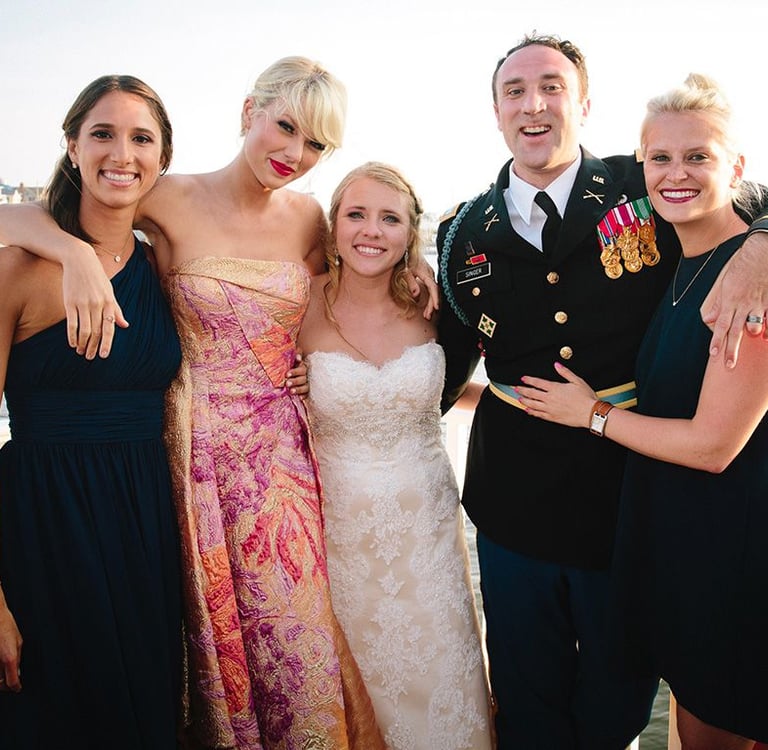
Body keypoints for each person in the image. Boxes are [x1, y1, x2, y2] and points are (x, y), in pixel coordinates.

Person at [0, 57, 385, 750]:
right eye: (285, 126)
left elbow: (341, 298)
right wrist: (72, 254)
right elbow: (38, 209)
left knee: (293, 651)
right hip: (177, 465)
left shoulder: (307, 219)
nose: (295, 152)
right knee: (186, 666)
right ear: (248, 112)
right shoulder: (163, 197)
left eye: (316, 142)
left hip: (258, 472)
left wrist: (321, 362)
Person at [435, 33, 768, 750]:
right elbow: (447, 361)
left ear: (584, 105)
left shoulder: (648, 182)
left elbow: (746, 193)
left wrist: (763, 247)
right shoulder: (460, 231)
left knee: (618, 699)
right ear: (496, 111)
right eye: (515, 91)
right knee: (526, 693)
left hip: (628, 495)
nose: (534, 105)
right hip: (512, 496)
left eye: (552, 87)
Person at [0, 75, 183, 749]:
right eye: (102, 133)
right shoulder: (18, 269)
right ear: (72, 146)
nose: (121, 154)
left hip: (145, 524)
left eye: (142, 138)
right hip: (43, 527)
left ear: (162, 158)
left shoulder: (164, 265)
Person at [298, 161, 494, 750]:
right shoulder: (297, 305)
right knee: (361, 688)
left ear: (410, 232)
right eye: (356, 214)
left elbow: (474, 376)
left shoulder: (433, 303)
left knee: (444, 675)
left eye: (390, 219)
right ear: (333, 225)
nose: (371, 231)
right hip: (341, 538)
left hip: (428, 533)